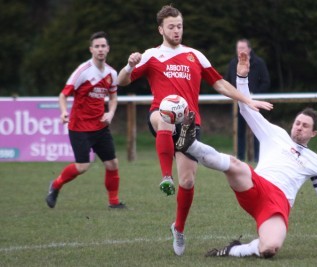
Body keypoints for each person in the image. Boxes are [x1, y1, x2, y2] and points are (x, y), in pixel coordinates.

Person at [175, 52, 317, 259]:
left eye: (305, 126)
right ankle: (190, 143)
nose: (299, 127)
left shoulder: (315, 161)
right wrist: (242, 78)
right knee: (234, 164)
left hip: (278, 204)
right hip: (256, 185)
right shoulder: (275, 134)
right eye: (298, 123)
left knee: (270, 248)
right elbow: (247, 110)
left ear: (314, 133)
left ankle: (233, 250)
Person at [117, 5, 272, 256]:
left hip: (190, 123)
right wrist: (128, 64)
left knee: (188, 180)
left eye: (179, 26)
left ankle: (178, 228)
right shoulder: (151, 55)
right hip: (160, 114)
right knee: (165, 114)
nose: (176, 30)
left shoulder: (195, 55)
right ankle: (166, 176)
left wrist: (247, 100)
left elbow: (220, 83)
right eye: (171, 27)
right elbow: (121, 81)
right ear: (160, 29)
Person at [46, 31, 126, 209]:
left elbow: (113, 98)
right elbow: (63, 95)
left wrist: (110, 114)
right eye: (97, 46)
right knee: (82, 166)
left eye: (103, 46)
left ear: (108, 49)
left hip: (100, 126)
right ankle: (56, 185)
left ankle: (114, 202)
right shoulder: (83, 71)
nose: (100, 49)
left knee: (112, 163)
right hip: (79, 126)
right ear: (91, 49)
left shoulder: (112, 73)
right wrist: (64, 112)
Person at [225, 39, 270, 162]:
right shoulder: (233, 63)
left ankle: (258, 158)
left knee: (258, 130)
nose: (241, 51)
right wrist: (237, 95)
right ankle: (240, 159)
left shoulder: (259, 63)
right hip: (238, 103)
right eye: (238, 48)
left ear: (249, 49)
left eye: (243, 48)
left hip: (255, 103)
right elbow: (227, 82)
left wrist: (254, 96)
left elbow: (266, 81)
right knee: (239, 132)